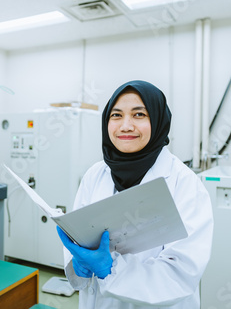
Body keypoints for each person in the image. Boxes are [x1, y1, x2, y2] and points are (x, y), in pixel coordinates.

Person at [57, 80, 213, 308]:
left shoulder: (185, 183)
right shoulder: (95, 174)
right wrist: (78, 261)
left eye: (139, 115)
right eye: (116, 115)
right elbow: (80, 236)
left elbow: (181, 273)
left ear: (159, 120)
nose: (126, 126)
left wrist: (111, 269)